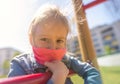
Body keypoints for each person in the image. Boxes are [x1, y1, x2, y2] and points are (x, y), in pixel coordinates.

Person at [8, 4, 102, 84]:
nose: (53, 47)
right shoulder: (20, 64)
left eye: (59, 41)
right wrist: (57, 78)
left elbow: (91, 71)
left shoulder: (67, 60)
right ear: (31, 39)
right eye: (44, 39)